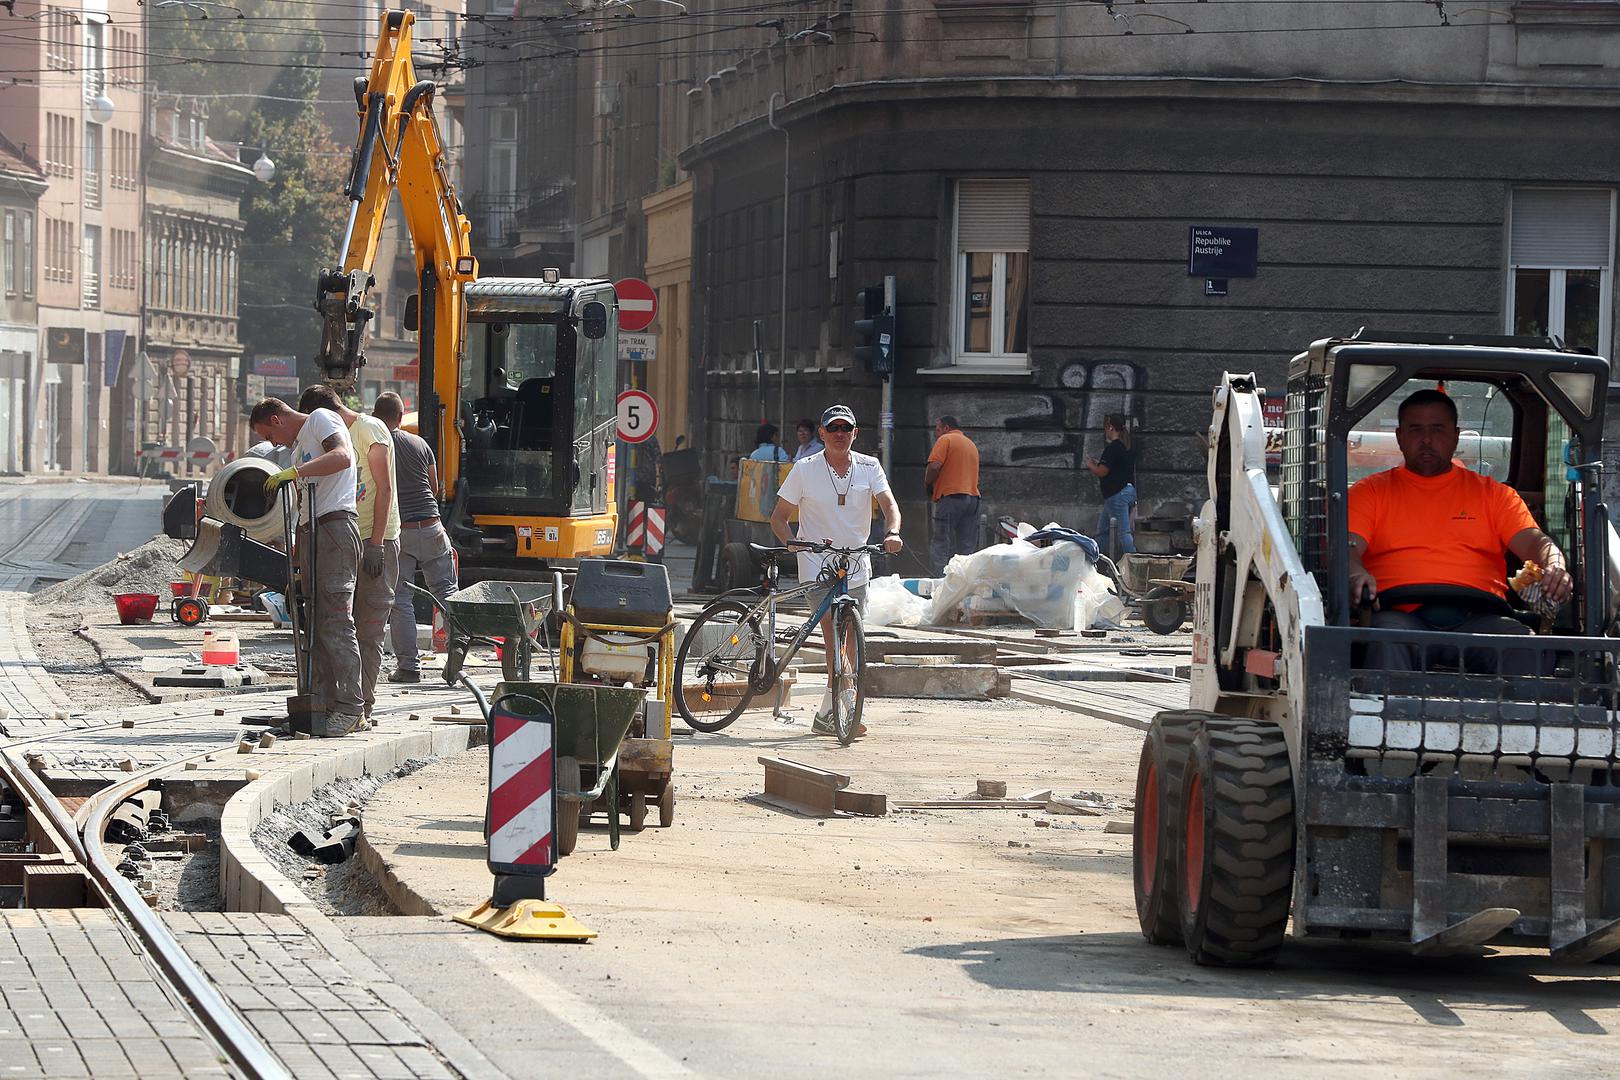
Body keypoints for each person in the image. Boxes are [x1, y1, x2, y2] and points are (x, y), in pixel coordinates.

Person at [1348, 388, 1572, 671]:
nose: (1427, 440)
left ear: (1456, 436)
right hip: (1399, 617)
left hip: (1481, 618)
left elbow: (1535, 542)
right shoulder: (1370, 493)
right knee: (1387, 641)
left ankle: (1521, 717)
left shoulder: (1494, 495)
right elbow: (1348, 548)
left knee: (1524, 646)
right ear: (1399, 437)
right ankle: (1387, 715)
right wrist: (1355, 573)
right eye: (1416, 430)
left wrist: (1555, 565)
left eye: (1438, 430)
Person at [769, 404, 904, 738]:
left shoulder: (870, 466)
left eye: (847, 429)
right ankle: (846, 708)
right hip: (817, 565)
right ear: (823, 434)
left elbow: (889, 506)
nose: (840, 435)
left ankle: (829, 712)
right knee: (833, 637)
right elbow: (779, 518)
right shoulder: (805, 469)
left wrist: (892, 532)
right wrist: (792, 543)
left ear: (855, 434)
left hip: (856, 564)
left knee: (852, 641)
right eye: (834, 429)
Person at [249, 397, 364, 737]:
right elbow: (302, 503)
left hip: (335, 529)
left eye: (269, 435)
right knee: (312, 622)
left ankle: (351, 707)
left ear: (276, 418)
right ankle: (319, 706)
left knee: (336, 621)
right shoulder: (300, 447)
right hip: (314, 531)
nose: (273, 444)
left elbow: (343, 457)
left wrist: (295, 472)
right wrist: (297, 561)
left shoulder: (321, 419)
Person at [299, 385, 400, 719]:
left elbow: (384, 488)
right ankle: (336, 703)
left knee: (368, 629)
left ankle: (363, 707)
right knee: (340, 624)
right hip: (348, 538)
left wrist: (375, 544)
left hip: (376, 540)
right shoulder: (336, 435)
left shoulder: (368, 429)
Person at [373, 391, 459, 684]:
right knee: (448, 595)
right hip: (432, 527)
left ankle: (408, 668)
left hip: (400, 532)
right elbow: (434, 487)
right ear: (401, 416)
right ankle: (456, 664)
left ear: (375, 415)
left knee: (401, 601)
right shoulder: (420, 444)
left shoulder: (376, 445)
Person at [924, 415, 981, 574]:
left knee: (941, 543)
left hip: (951, 498)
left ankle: (938, 584)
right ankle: (964, 584)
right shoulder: (971, 444)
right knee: (966, 548)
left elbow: (934, 466)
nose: (936, 434)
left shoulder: (946, 439)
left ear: (946, 428)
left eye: (937, 430)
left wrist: (928, 483)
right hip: (973, 499)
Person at [1084, 413, 1136, 559]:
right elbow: (1115, 468)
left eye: (1106, 427)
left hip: (1116, 495)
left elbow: (1102, 472)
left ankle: (1134, 566)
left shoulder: (1112, 448)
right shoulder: (1124, 447)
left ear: (1111, 427)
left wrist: (1090, 465)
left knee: (1123, 533)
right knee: (1102, 532)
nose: (1105, 431)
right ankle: (1096, 561)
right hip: (1122, 493)